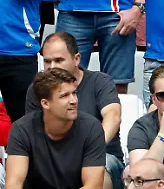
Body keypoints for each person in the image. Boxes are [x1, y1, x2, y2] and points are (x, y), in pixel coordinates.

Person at [27, 32, 124, 187]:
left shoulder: (100, 82)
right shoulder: (37, 89)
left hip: (103, 155)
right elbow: (34, 131)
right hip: (53, 157)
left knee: (98, 169)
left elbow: (113, 117)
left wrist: (90, 149)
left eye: (59, 60)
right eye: (47, 61)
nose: (52, 67)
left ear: (76, 59)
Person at [6, 68, 106, 189]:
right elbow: (13, 184)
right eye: (64, 96)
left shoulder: (91, 128)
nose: (74, 101)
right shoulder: (22, 129)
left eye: (74, 93)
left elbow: (93, 186)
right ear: (45, 103)